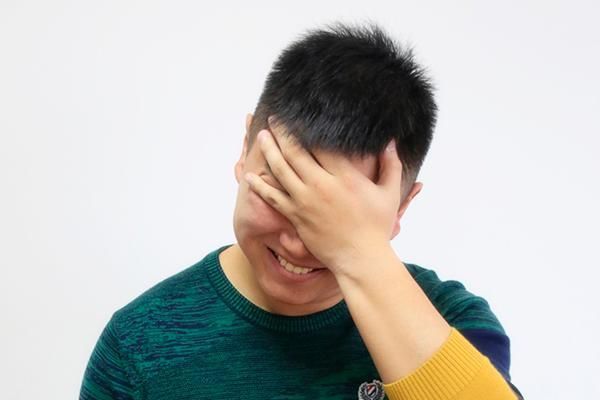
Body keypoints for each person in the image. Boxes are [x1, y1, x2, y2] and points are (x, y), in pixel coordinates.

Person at [80, 23, 523, 399]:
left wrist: (359, 254)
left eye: (341, 213)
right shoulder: (138, 345)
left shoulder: (449, 322)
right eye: (282, 191)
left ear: (402, 206)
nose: (299, 242)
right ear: (245, 151)